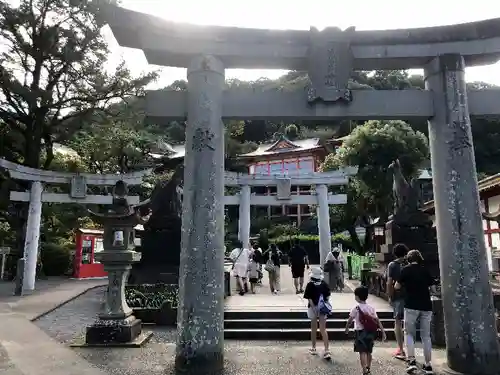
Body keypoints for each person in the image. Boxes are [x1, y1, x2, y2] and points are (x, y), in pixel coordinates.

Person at [395, 249, 436, 375]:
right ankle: (428, 364)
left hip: (411, 305)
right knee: (425, 336)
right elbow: (433, 289)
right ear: (419, 258)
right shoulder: (425, 270)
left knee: (409, 334)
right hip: (426, 306)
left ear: (408, 259)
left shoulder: (405, 270)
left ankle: (411, 361)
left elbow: (397, 286)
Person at [345, 286, 387, 375]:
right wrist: (383, 332)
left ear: (357, 297)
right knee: (369, 351)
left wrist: (347, 328)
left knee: (362, 352)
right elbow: (377, 321)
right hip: (370, 332)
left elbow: (350, 320)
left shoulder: (356, 308)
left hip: (360, 332)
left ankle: (364, 370)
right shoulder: (371, 308)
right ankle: (368, 367)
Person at [386, 242, 409, 360]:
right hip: (410, 296)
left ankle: (400, 348)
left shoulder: (392, 265)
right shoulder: (409, 264)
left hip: (398, 296)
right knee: (409, 323)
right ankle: (411, 349)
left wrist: (390, 296)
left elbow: (390, 282)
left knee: (398, 322)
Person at [303, 267, 331, 359]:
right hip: (323, 308)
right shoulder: (324, 284)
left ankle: (314, 348)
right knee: (323, 329)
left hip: (313, 308)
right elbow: (327, 297)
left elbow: (309, 298)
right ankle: (327, 350)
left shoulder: (310, 285)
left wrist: (314, 309)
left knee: (314, 328)